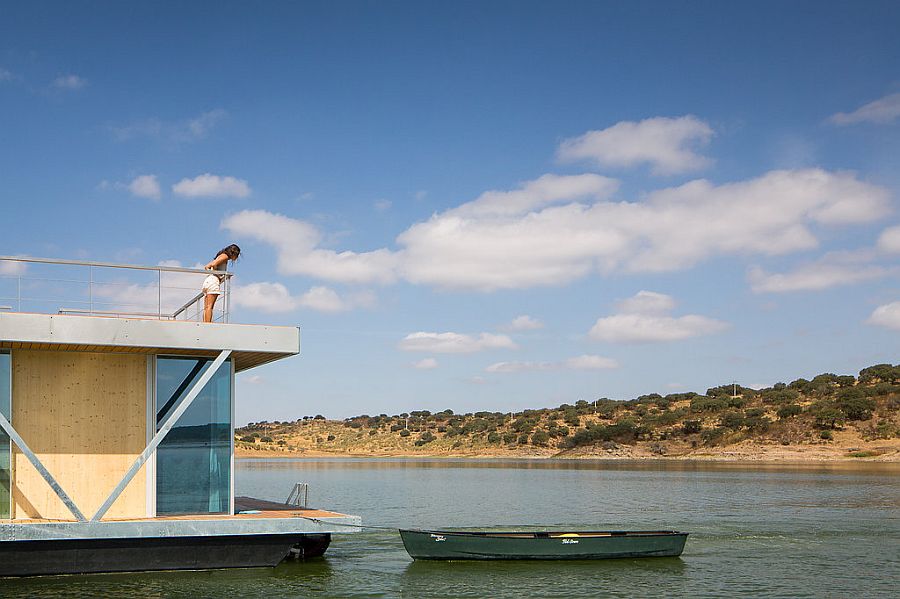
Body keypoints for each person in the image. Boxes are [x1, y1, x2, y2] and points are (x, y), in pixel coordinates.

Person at [202, 244, 240, 322]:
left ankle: (205, 325)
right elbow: (213, 265)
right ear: (234, 253)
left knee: (206, 307)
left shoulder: (220, 256)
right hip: (213, 280)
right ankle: (207, 325)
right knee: (210, 306)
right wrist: (219, 276)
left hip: (208, 280)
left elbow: (207, 266)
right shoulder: (225, 256)